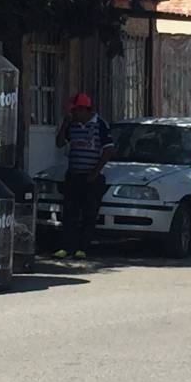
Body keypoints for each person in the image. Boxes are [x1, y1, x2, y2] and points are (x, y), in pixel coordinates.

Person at [54, 93, 113, 260]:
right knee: (69, 214)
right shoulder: (72, 125)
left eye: (76, 111)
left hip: (91, 177)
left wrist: (95, 172)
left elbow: (108, 150)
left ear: (85, 109)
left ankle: (83, 248)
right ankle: (66, 247)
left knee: (89, 214)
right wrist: (65, 125)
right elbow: (59, 143)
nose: (74, 114)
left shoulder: (100, 125)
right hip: (74, 175)